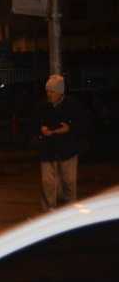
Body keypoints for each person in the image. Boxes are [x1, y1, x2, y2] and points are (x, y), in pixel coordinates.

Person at [36, 74, 88, 210]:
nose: (49, 94)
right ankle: (49, 210)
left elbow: (83, 124)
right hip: (47, 149)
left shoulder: (73, 105)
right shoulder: (42, 106)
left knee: (69, 181)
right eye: (47, 91)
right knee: (47, 182)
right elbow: (34, 123)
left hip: (68, 149)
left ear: (60, 92)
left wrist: (69, 129)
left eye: (51, 91)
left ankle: (70, 210)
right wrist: (41, 128)